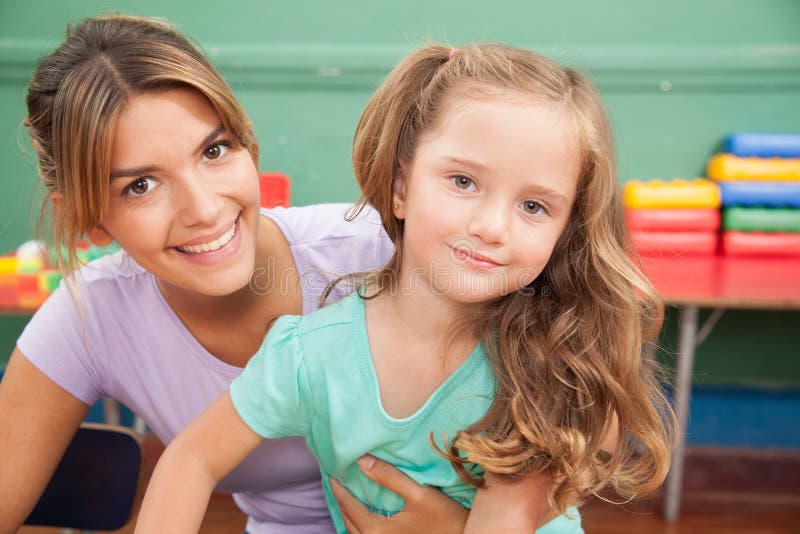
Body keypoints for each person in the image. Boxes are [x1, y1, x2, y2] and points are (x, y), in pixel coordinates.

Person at [0, 15, 513, 533]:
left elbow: (559, 422)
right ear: (85, 217)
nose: (203, 209)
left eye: (214, 150)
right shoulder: (89, 318)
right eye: (140, 186)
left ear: (248, 144)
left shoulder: (387, 252)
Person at [135, 43, 675, 533]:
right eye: (463, 182)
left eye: (534, 206)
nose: (492, 226)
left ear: (563, 232)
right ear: (400, 188)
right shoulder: (308, 355)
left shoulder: (540, 363)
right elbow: (191, 459)